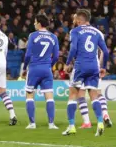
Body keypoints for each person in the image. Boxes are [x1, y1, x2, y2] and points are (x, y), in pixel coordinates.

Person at [63, 9, 109, 137]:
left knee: (73, 93)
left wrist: (67, 63)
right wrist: (103, 67)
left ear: (79, 20)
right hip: (94, 67)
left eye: (74, 18)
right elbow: (105, 51)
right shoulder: (98, 32)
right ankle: (100, 123)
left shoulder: (75, 31)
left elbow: (73, 48)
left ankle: (71, 126)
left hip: (80, 66)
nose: (73, 21)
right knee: (94, 95)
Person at [22, 15, 59, 130]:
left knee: (29, 95)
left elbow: (28, 54)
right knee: (49, 96)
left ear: (39, 23)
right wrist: (49, 65)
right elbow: (57, 56)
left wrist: (24, 67)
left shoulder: (33, 35)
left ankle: (32, 123)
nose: (34, 24)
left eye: (35, 22)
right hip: (47, 70)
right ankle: (51, 124)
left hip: (34, 68)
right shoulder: (54, 37)